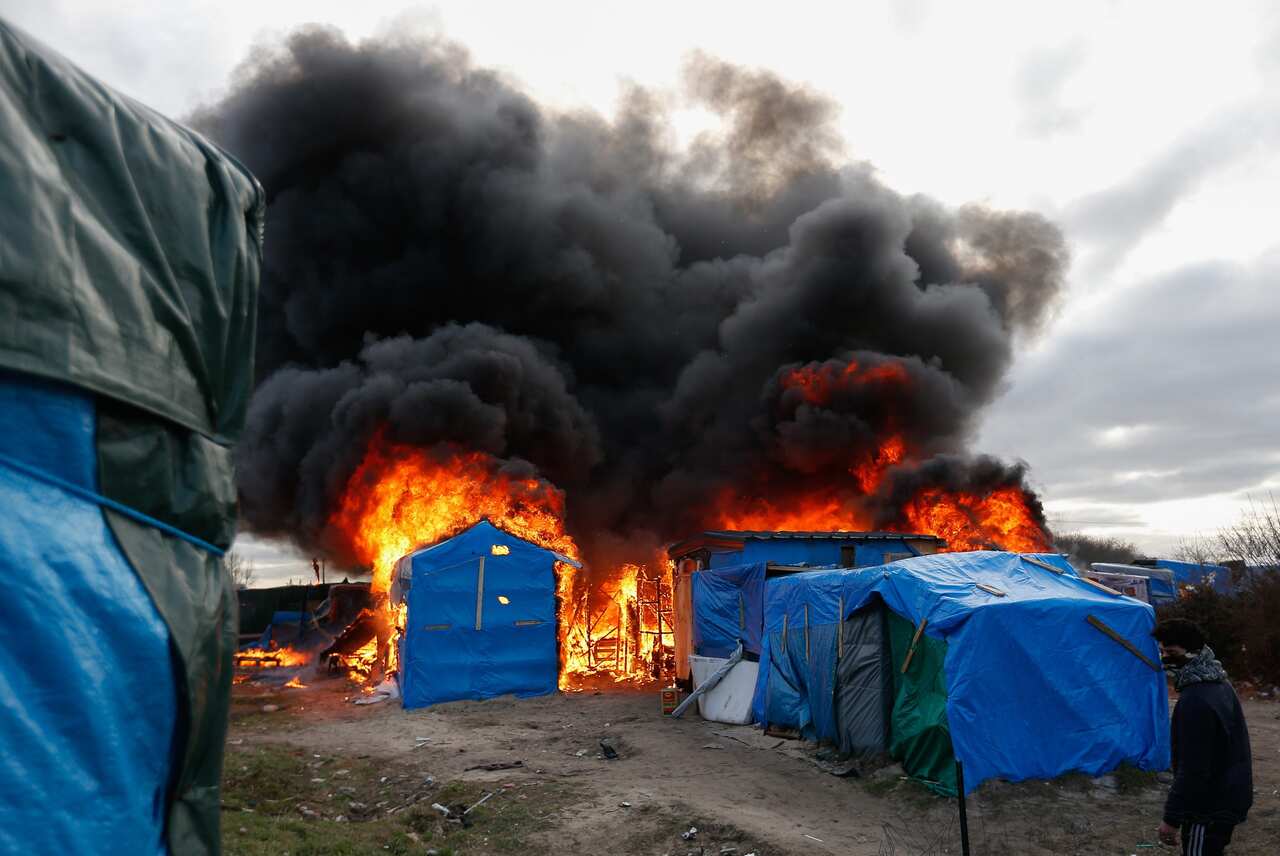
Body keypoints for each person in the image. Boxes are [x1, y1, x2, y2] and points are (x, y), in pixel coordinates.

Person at [1152, 618, 1252, 855]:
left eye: (1172, 652)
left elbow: (1194, 767)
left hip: (1208, 809)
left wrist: (1171, 819)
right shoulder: (1219, 682)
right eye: (1162, 651)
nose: (1165, 658)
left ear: (1193, 652)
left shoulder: (1196, 699)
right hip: (1228, 795)